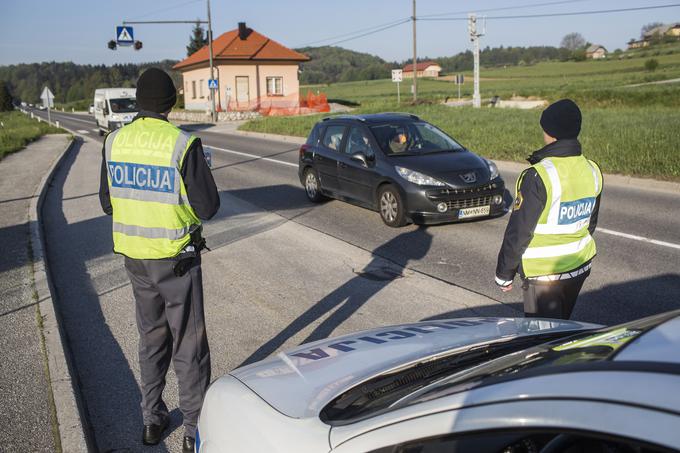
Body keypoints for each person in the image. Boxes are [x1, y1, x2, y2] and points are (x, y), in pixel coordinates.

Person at [99, 68, 219, 453]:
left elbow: (107, 202)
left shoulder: (114, 142)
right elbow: (208, 206)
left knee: (151, 339)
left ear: (138, 102)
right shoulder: (182, 144)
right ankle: (193, 431)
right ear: (170, 103)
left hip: (136, 260)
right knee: (188, 343)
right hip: (176, 260)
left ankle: (152, 420)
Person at [495, 99, 602, 319]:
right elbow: (590, 222)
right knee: (560, 328)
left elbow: (520, 231)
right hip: (579, 266)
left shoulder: (539, 175)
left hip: (543, 274)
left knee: (539, 338)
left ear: (549, 131)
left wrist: (505, 273)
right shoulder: (592, 169)